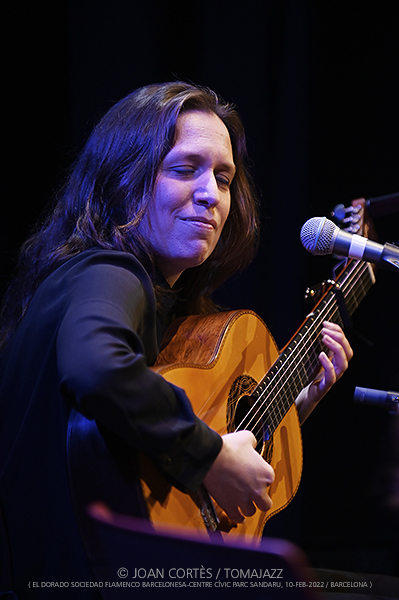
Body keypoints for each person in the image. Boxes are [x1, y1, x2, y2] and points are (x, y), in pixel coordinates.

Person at [0, 82, 352, 598]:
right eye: (185, 169)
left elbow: (125, 447)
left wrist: (288, 411)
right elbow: (97, 368)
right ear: (124, 177)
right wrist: (208, 456)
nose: (212, 193)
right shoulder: (110, 271)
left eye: (224, 178)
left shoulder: (112, 286)